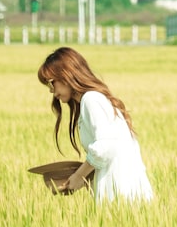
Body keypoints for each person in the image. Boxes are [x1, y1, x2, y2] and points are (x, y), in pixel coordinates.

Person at [37, 47, 154, 203]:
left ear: (66, 75)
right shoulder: (92, 100)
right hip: (122, 194)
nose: (52, 91)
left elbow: (105, 147)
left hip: (121, 196)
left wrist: (79, 175)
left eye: (52, 84)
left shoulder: (91, 99)